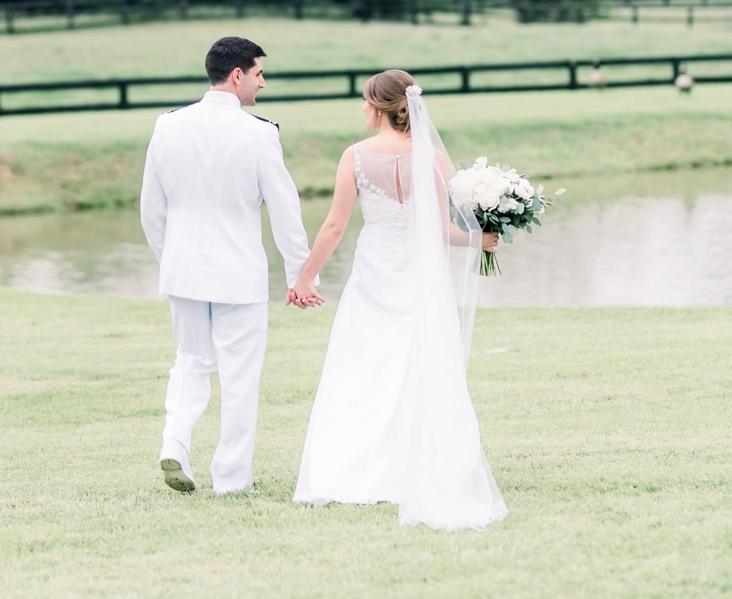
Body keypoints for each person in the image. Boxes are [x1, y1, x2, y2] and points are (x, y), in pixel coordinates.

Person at [288, 69, 508, 531]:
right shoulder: (434, 160)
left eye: (365, 102)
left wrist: (305, 278)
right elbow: (441, 230)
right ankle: (415, 464)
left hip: (373, 273)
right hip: (421, 277)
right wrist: (480, 240)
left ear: (378, 107)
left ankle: (356, 468)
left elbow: (333, 227)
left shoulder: (355, 156)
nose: (362, 110)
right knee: (417, 363)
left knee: (363, 364)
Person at [139, 36, 313, 495]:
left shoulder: (167, 126)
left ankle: (175, 441)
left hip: (182, 269)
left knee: (191, 361)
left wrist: (170, 257)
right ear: (237, 75)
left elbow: (150, 210)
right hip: (239, 274)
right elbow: (284, 211)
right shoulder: (259, 133)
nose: (262, 83)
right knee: (240, 377)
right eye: (258, 74)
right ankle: (232, 481)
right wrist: (300, 275)